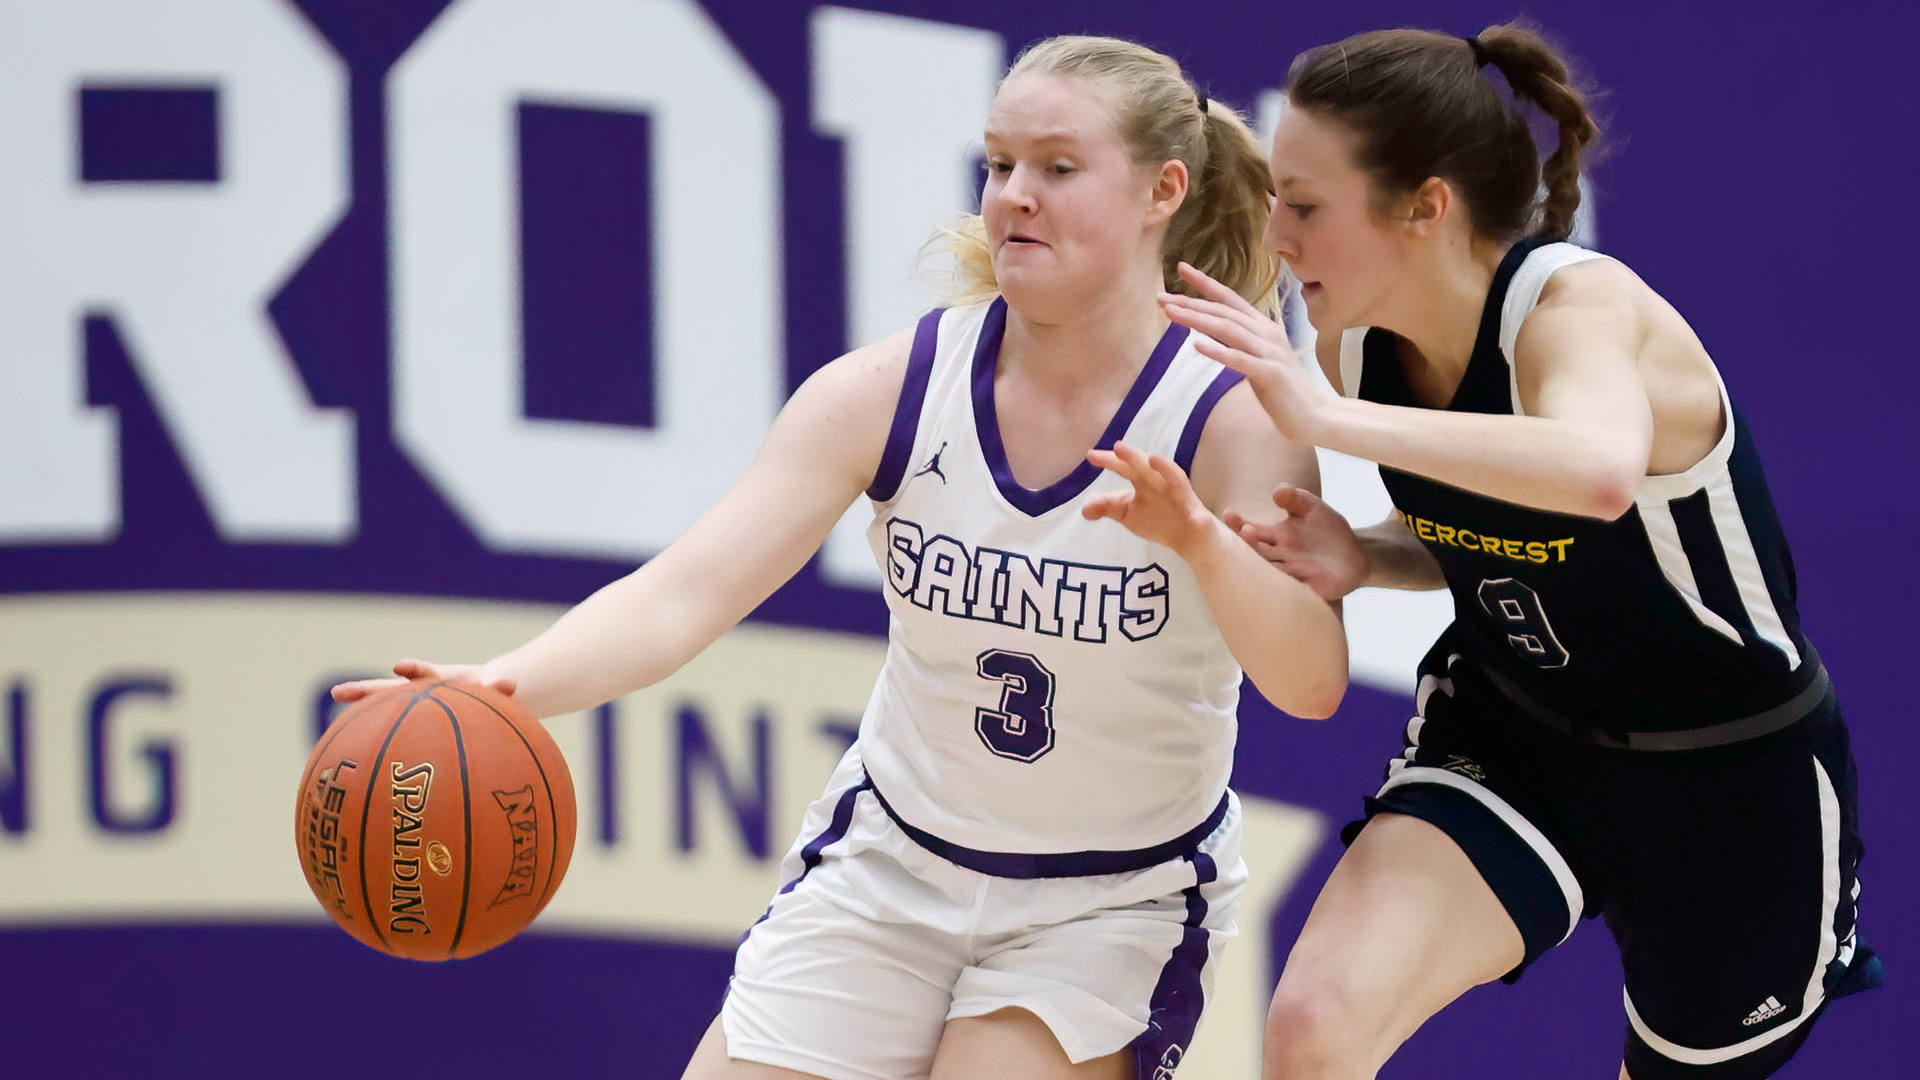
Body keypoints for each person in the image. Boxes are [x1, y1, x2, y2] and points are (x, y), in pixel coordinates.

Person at [334, 35, 1347, 1080]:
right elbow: (683, 595)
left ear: (1161, 190)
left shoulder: (1230, 419)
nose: (1015, 197)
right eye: (998, 165)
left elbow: (1310, 681)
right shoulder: (890, 390)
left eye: (1056, 167)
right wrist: (500, 688)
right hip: (895, 865)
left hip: (1110, 899)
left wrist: (1195, 542)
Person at [1160, 22, 1880, 1080]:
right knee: (1314, 1029)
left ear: (1427, 206)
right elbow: (1484, 523)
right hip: (1518, 727)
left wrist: (1328, 424)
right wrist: (1370, 554)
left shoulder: (1580, 310)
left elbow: (1590, 474)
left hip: (1727, 769)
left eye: (1305, 206)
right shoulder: (1360, 347)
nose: (1277, 238)